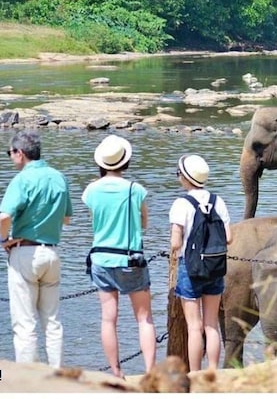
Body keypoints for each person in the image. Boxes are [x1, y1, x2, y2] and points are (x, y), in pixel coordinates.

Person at [0, 130, 73, 368]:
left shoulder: (21, 179)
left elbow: (4, 216)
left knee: (25, 322)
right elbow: (67, 218)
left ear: (20, 153)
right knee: (52, 321)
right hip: (51, 252)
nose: (10, 157)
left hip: (24, 251)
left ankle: (28, 377)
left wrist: (4, 240)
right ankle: (57, 372)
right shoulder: (59, 177)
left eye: (10, 153)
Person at [83, 134, 156, 378]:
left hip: (101, 259)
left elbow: (94, 219)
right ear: (125, 162)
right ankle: (149, 372)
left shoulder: (91, 190)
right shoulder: (136, 190)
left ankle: (116, 371)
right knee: (144, 319)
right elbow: (144, 223)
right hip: (130, 260)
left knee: (108, 320)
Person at [170, 154, 232, 372]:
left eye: (179, 174)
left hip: (191, 268)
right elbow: (228, 238)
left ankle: (195, 373)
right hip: (215, 268)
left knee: (194, 327)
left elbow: (176, 242)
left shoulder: (182, 203)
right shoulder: (218, 200)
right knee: (211, 325)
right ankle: (214, 371)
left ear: (186, 178)